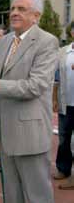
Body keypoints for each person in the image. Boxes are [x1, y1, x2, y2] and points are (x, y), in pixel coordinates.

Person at [0, 0, 58, 202]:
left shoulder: (47, 42)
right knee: (12, 195)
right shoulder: (6, 41)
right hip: (5, 134)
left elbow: (36, 86)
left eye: (21, 9)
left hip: (30, 135)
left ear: (36, 16)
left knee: (37, 196)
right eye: (12, 9)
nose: (14, 13)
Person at [53, 22, 74, 190]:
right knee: (63, 138)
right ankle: (63, 169)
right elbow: (56, 77)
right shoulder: (63, 52)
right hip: (66, 102)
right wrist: (54, 98)